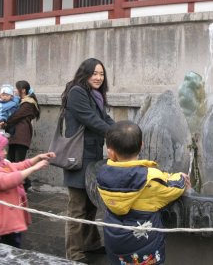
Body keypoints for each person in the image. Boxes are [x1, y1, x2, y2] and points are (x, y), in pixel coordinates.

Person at [97, 120, 191, 265]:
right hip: (145, 252)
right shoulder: (149, 178)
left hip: (115, 246)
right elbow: (173, 189)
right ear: (142, 145)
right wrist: (180, 178)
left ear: (110, 152)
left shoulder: (102, 176)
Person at [0, 125, 55, 248]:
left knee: (13, 249)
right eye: (2, 149)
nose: (5, 152)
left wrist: (37, 158)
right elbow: (5, 181)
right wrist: (34, 168)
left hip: (8, 223)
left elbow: (20, 166)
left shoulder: (3, 164)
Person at [61, 58, 115, 263]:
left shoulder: (96, 95)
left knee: (91, 204)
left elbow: (105, 118)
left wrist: (124, 130)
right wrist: (116, 135)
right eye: (94, 73)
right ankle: (73, 252)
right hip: (78, 157)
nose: (99, 77)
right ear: (85, 73)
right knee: (77, 207)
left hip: (92, 156)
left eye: (101, 74)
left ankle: (90, 243)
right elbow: (91, 120)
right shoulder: (77, 92)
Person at [1, 80, 40, 191]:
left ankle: (24, 185)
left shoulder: (28, 103)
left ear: (22, 90)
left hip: (22, 135)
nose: (14, 91)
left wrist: (4, 122)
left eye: (16, 88)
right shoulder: (22, 101)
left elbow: (15, 116)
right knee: (12, 161)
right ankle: (23, 184)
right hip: (15, 135)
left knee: (19, 162)